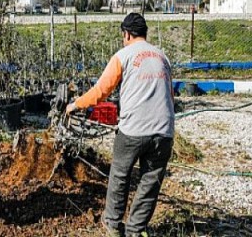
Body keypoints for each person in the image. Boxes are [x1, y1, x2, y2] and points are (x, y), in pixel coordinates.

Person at [66, 13, 175, 237]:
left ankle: (114, 226)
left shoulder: (123, 56)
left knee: (120, 176)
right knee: (150, 182)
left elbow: (100, 92)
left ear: (126, 34)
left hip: (133, 131)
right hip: (164, 131)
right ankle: (135, 230)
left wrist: (74, 105)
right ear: (145, 33)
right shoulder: (163, 57)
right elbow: (169, 96)